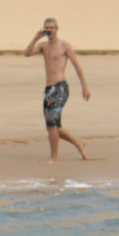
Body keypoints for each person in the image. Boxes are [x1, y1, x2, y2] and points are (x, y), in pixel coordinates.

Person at [24, 18, 90, 162]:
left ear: (57, 29)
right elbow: (27, 53)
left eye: (52, 27)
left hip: (60, 87)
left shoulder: (65, 45)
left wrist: (84, 87)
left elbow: (77, 66)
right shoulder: (43, 46)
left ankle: (54, 157)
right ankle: (78, 142)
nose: (49, 30)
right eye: (47, 27)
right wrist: (35, 38)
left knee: (51, 122)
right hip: (48, 90)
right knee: (52, 126)